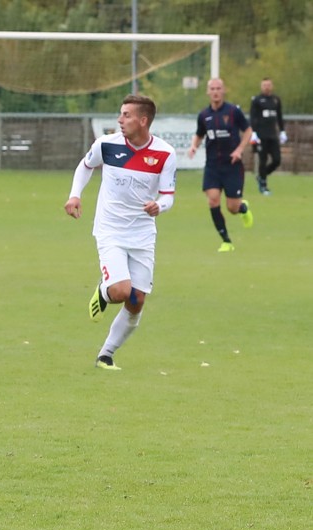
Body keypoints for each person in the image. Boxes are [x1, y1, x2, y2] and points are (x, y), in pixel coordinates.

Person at [64, 94, 177, 371]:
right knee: (120, 290)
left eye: (126, 115)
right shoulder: (106, 145)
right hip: (110, 229)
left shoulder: (165, 153)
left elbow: (168, 196)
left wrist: (158, 206)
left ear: (143, 120)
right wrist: (75, 195)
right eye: (120, 113)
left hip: (142, 234)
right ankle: (104, 292)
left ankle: (106, 355)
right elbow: (85, 166)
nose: (120, 119)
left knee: (136, 301)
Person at [187, 78, 254, 252]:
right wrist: (194, 145)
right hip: (213, 166)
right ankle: (226, 241)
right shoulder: (203, 115)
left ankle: (243, 208)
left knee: (232, 208)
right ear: (208, 92)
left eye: (218, 88)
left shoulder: (233, 112)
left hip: (232, 165)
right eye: (212, 89)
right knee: (213, 199)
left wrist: (239, 149)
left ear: (223, 91)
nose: (215, 91)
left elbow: (248, 130)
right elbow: (199, 134)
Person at [249, 77, 287, 196]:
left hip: (272, 135)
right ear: (261, 86)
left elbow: (279, 116)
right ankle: (263, 185)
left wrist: (282, 131)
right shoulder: (257, 100)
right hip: (261, 136)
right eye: (264, 85)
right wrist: (253, 133)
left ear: (272, 86)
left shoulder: (276, 100)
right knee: (263, 160)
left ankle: (261, 176)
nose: (266, 87)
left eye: (268, 85)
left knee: (277, 160)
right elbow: (253, 117)